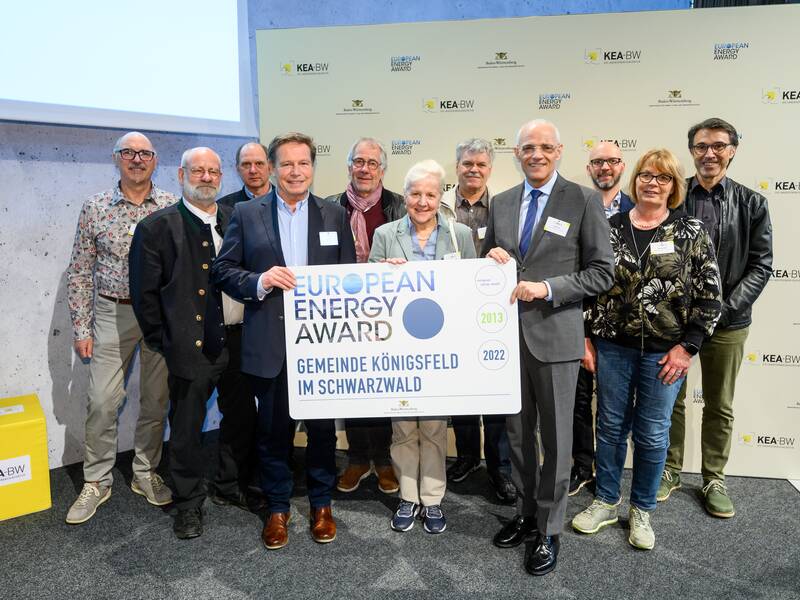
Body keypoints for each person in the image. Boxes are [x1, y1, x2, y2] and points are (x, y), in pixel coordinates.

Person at [572, 148, 722, 550]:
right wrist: (585, 338)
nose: (652, 183)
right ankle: (605, 500)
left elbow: (710, 298)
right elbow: (588, 287)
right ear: (634, 180)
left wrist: (687, 348)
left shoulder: (691, 231)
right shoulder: (608, 227)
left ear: (674, 186)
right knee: (609, 427)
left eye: (663, 177)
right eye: (645, 175)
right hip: (612, 347)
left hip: (665, 353)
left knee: (654, 435)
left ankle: (641, 511)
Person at [212, 132, 356, 550]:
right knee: (273, 432)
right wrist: (259, 280)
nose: (296, 172)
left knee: (323, 433)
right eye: (287, 164)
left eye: (304, 164)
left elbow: (348, 276)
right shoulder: (245, 213)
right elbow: (223, 270)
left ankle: (321, 503)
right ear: (273, 169)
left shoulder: (334, 215)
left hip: (321, 346)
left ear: (313, 168)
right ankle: (277, 507)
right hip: (270, 345)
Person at [484, 119, 614, 576]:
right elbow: (487, 265)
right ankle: (524, 513)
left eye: (544, 147)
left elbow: (602, 272)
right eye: (527, 148)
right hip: (504, 339)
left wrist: (547, 288)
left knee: (558, 441)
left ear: (559, 151)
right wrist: (490, 259)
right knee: (518, 436)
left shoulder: (582, 200)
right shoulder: (499, 203)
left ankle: (549, 528)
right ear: (516, 154)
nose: (536, 154)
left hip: (556, 338)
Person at [129, 147, 259, 539]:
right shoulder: (156, 227)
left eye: (214, 171)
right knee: (185, 428)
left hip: (239, 342)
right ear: (182, 174)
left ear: (223, 177)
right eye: (198, 171)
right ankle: (187, 503)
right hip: (191, 349)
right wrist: (167, 342)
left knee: (241, 420)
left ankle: (229, 485)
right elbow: (145, 296)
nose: (207, 177)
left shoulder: (239, 219)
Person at [659, 118, 773, 517]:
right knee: (670, 400)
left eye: (719, 146)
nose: (710, 153)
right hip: (675, 324)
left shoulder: (752, 203)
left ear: (733, 150)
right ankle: (669, 470)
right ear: (691, 151)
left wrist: (721, 309)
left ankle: (713, 477)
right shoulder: (674, 198)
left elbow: (762, 265)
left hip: (728, 323)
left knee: (720, 404)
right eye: (702, 146)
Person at [65, 132, 175, 524]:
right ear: (116, 159)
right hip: (112, 313)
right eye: (128, 152)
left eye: (144, 153)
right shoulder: (95, 207)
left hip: (159, 315)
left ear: (155, 160)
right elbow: (79, 271)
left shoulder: (170, 205)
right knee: (102, 400)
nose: (136, 159)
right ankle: (96, 481)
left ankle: (145, 472)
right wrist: (82, 327)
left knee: (156, 398)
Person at [369, 159, 477, 535]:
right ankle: (407, 497)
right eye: (415, 193)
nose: (422, 201)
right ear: (405, 195)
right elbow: (368, 287)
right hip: (397, 349)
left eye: (431, 194)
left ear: (440, 196)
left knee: (432, 428)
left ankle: (432, 500)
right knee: (402, 429)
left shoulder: (460, 234)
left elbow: (472, 286)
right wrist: (383, 270)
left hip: (440, 349)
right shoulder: (385, 234)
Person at [324, 137, 404, 495]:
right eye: (359, 161)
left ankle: (384, 459)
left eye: (372, 163)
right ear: (349, 167)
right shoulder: (328, 207)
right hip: (344, 311)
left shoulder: (399, 207)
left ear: (382, 169)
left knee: (385, 381)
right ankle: (357, 458)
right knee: (354, 383)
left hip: (391, 311)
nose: (365, 168)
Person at [439, 138, 516, 504]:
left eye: (481, 164)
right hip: (451, 314)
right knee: (462, 390)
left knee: (496, 393)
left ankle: (500, 468)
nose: (474, 169)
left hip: (493, 314)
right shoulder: (439, 207)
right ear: (457, 167)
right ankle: (468, 457)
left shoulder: (504, 207)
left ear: (490, 169)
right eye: (467, 163)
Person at [570, 141, 635, 496]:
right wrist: (581, 330)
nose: (604, 167)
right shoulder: (578, 205)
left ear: (622, 165)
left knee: (613, 406)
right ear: (589, 167)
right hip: (579, 319)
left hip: (619, 326)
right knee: (579, 401)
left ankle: (610, 472)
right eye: (597, 162)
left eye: (611, 161)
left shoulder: (638, 209)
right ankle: (582, 466)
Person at [218, 142, 272, 207]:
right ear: (237, 169)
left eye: (259, 163)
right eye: (246, 164)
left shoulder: (285, 199)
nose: (253, 170)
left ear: (270, 167)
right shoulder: (223, 206)